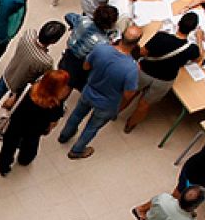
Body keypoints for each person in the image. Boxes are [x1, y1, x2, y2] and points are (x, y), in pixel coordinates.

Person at [58, 26, 143, 160]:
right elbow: (128, 95)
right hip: (107, 104)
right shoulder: (132, 69)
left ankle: (64, 135)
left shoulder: (101, 49)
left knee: (77, 114)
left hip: (89, 91)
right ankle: (77, 150)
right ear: (137, 43)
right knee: (92, 127)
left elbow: (86, 66)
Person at [122, 11, 203, 132]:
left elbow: (143, 52)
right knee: (144, 104)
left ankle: (114, 113)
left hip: (145, 71)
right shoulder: (192, 49)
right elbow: (199, 59)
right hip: (164, 80)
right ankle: (130, 125)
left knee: (130, 93)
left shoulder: (161, 37)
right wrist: (200, 39)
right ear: (192, 30)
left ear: (178, 23)